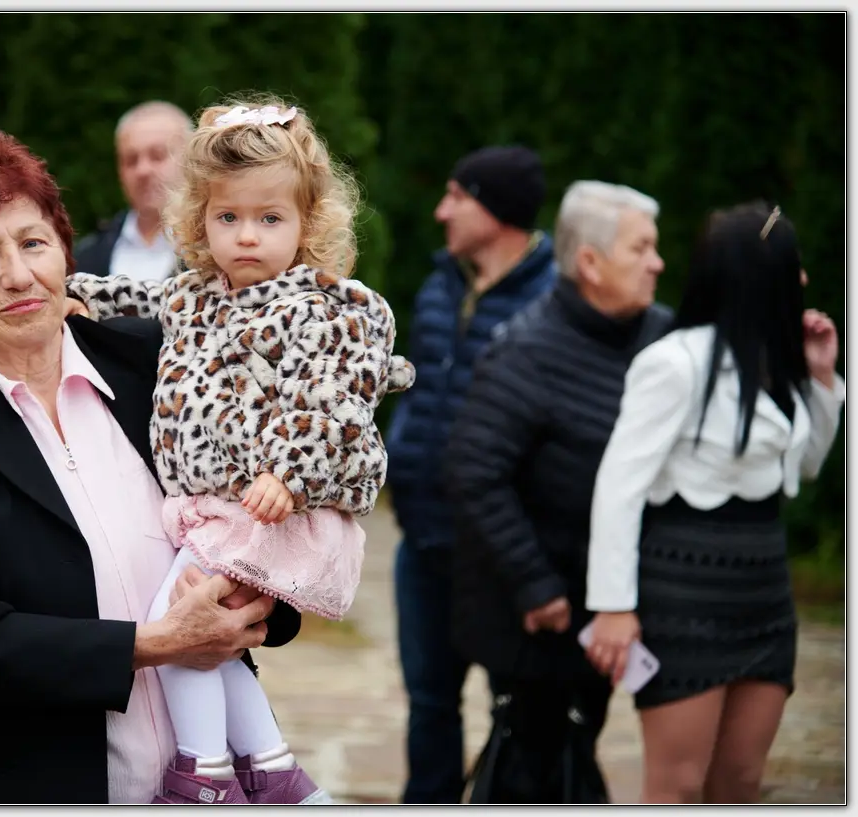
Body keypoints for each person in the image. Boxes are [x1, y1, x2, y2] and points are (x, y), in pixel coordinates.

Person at [0, 129, 302, 805]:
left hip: (221, 780)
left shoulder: (155, 358)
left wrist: (257, 599)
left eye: (33, 242)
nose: (19, 275)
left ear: (64, 253)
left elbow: (259, 510)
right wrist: (158, 643)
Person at [67, 97, 415, 804]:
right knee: (212, 642)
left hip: (268, 512)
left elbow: (335, 405)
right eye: (227, 218)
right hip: (216, 510)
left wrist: (287, 473)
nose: (246, 236)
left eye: (269, 218)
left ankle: (202, 772)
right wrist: (80, 297)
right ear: (200, 221)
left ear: (308, 221)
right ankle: (276, 771)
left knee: (177, 631)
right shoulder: (198, 294)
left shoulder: (325, 306)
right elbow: (143, 297)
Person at [583, 202, 845, 804]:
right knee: (676, 787)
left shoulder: (780, 364)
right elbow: (619, 485)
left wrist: (822, 380)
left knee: (741, 784)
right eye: (793, 267)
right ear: (761, 277)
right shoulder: (674, 363)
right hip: (686, 594)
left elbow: (801, 468)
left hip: (765, 593)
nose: (804, 279)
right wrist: (614, 608)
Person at [446, 180, 672, 802]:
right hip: (535, 614)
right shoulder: (526, 350)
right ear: (590, 263)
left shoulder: (664, 340)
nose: (657, 263)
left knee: (579, 744)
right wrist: (535, 584)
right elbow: (473, 471)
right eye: (641, 248)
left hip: (614, 603)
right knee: (532, 761)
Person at [383, 144, 558, 803]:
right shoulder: (441, 284)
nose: (441, 211)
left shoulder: (551, 300)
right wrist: (400, 457)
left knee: (517, 709)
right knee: (429, 703)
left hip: (501, 554)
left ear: (496, 208)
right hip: (424, 540)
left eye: (456, 196)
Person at [73, 100, 192, 280]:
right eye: (131, 160)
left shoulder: (217, 250)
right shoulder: (86, 257)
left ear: (190, 160)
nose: (142, 170)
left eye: (158, 155)